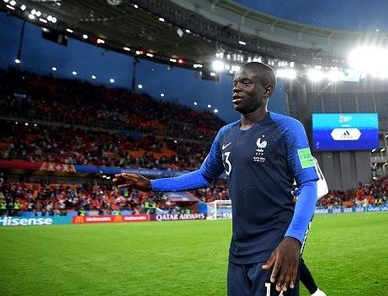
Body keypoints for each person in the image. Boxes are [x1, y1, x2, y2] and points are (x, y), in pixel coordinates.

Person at [113, 62, 319, 296]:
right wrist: (151, 185)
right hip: (238, 252)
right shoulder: (225, 134)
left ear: (267, 90)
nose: (236, 88)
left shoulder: (288, 128)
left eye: (246, 82)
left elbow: (308, 184)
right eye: (235, 83)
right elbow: (203, 175)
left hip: (275, 246)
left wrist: (293, 240)